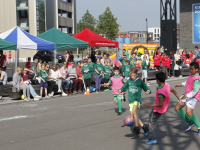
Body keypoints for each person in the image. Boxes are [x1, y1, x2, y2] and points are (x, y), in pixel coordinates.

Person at [142, 72, 181, 145]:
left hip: (159, 109)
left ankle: (153, 138)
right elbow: (174, 91)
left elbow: (160, 104)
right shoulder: (166, 85)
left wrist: (149, 105)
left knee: (151, 122)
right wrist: (180, 99)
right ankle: (150, 131)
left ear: (158, 80)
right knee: (151, 118)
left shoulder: (161, 91)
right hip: (162, 108)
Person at [118, 68, 150, 135]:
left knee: (134, 112)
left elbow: (145, 87)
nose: (133, 77)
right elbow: (124, 87)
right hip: (131, 100)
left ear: (137, 74)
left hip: (137, 99)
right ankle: (144, 127)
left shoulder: (139, 81)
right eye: (132, 75)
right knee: (132, 115)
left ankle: (136, 127)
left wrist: (148, 91)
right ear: (130, 75)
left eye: (134, 75)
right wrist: (121, 90)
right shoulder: (129, 81)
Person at [174, 62, 200, 135]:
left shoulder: (197, 79)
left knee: (189, 112)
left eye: (192, 69)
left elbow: (195, 91)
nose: (191, 71)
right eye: (190, 69)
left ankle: (199, 127)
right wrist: (181, 84)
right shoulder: (191, 75)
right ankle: (190, 122)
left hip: (193, 97)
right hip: (187, 95)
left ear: (197, 69)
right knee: (177, 108)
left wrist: (187, 96)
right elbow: (188, 81)